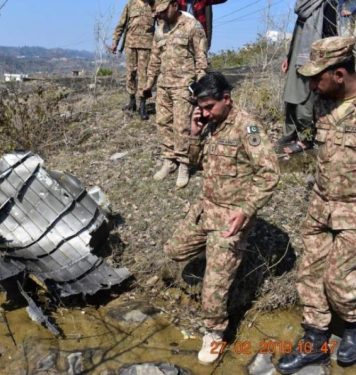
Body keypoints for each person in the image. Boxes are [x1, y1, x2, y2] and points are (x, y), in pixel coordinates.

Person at [164, 72, 279, 364]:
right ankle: (220, 263)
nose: (204, 112)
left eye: (209, 107)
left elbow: (269, 173)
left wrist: (247, 209)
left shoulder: (247, 127)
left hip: (231, 217)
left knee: (213, 288)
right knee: (174, 251)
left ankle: (214, 332)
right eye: (200, 107)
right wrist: (194, 132)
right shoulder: (211, 125)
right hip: (206, 208)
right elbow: (196, 163)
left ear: (226, 99)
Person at [276, 36, 356, 374]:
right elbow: (317, 136)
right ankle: (316, 340)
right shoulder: (324, 102)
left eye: (316, 77)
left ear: (339, 74)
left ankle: (352, 326)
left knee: (339, 280)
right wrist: (298, 147)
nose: (310, 85)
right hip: (321, 204)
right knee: (309, 275)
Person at [144, 0, 207, 189]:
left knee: (181, 126)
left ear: (174, 4)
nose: (160, 15)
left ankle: (183, 164)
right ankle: (169, 159)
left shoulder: (192, 26)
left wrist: (200, 86)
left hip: (183, 85)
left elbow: (201, 58)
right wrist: (149, 84)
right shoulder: (160, 28)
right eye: (157, 12)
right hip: (164, 85)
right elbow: (155, 58)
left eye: (163, 11)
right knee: (163, 123)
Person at [276, 0, 337, 154]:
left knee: (305, 99)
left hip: (312, 59)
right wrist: (289, 57)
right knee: (291, 95)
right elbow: (298, 32)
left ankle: (305, 139)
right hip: (298, 54)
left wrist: (324, 63)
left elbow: (331, 34)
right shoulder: (303, 6)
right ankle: (289, 134)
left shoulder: (326, 4)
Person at [111, 0, 157, 121]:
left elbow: (162, 24)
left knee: (143, 75)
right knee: (131, 72)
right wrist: (115, 42)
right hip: (130, 44)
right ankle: (132, 101)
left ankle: (142, 105)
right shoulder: (130, 5)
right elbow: (121, 25)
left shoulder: (154, 5)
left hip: (146, 46)